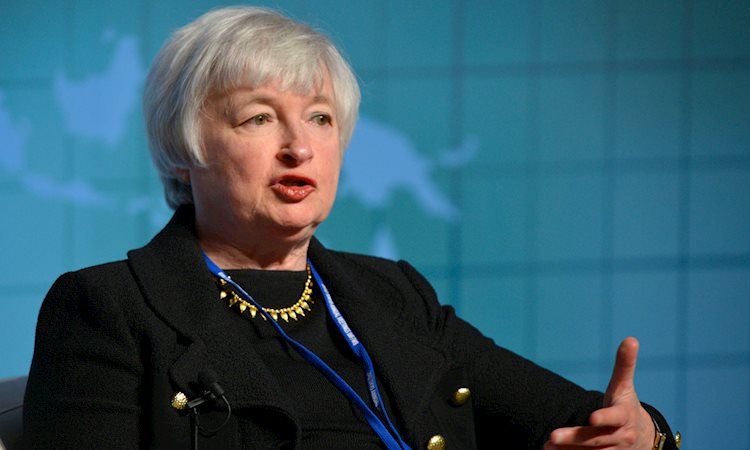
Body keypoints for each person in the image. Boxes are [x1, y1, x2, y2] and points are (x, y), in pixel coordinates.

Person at [22, 6, 679, 450]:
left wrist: (642, 434)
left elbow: (585, 422)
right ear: (181, 149)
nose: (299, 147)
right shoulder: (107, 308)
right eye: (258, 118)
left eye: (320, 118)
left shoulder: (394, 296)